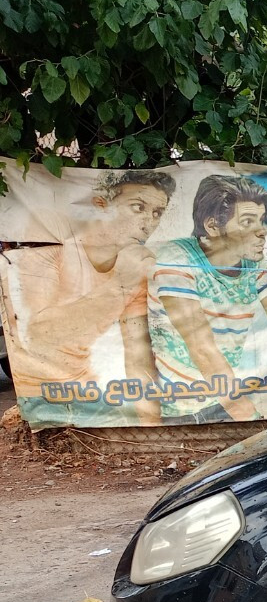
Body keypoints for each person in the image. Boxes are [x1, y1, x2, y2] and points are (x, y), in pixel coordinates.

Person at [6, 170, 173, 426]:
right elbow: (37, 336)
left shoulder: (133, 265)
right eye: (138, 207)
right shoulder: (52, 243)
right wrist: (119, 283)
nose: (148, 223)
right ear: (101, 206)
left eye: (156, 213)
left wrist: (151, 425)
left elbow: (137, 354)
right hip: (39, 392)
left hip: (88, 389)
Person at [146, 174, 267, 422]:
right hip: (184, 412)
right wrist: (252, 419)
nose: (262, 232)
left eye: (261, 221)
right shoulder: (176, 258)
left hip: (227, 399)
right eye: (247, 221)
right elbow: (201, 347)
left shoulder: (253, 264)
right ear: (213, 227)